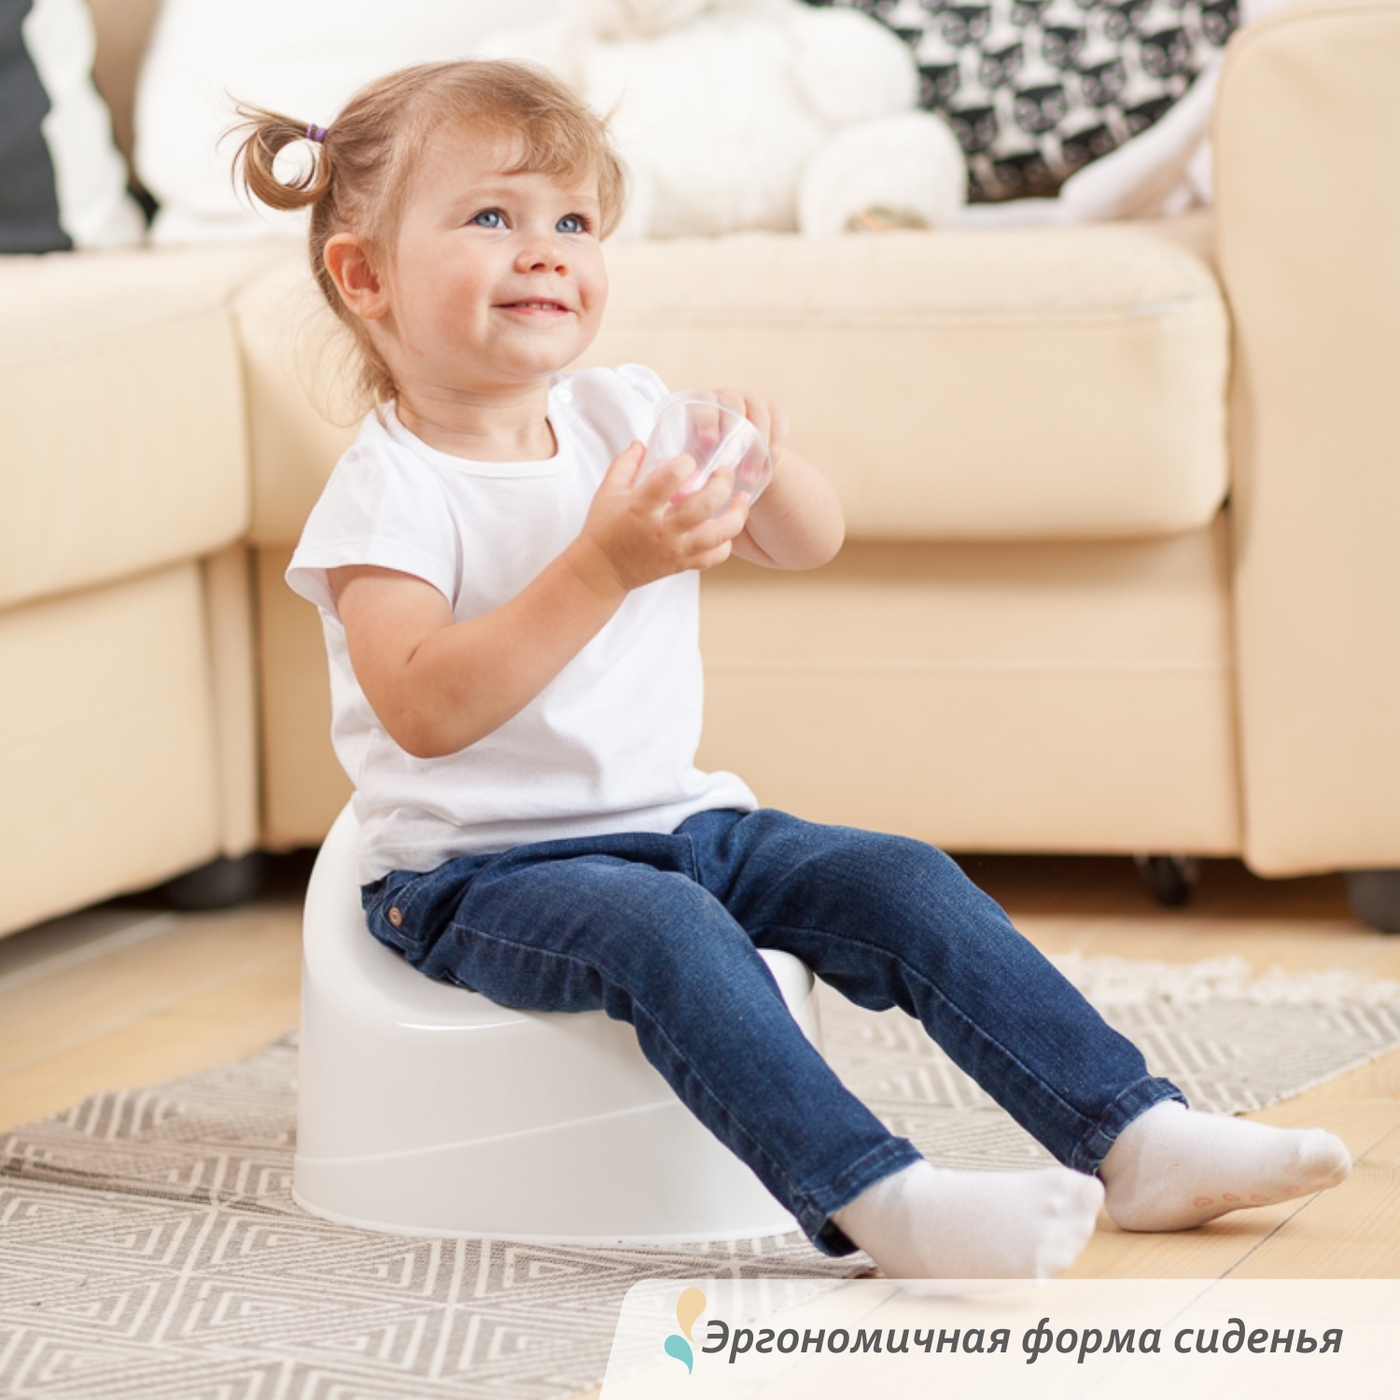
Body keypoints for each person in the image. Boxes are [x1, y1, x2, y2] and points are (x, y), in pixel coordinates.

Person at [238, 59, 1351, 1278]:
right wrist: (601, 566)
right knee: (664, 926)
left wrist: (759, 465)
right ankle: (881, 1198)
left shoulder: (621, 417)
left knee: (898, 879)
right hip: (476, 874)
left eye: (574, 222)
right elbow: (423, 705)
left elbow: (809, 540)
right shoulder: (389, 491)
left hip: (681, 822)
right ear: (366, 277)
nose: (545, 251)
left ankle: (1134, 1134)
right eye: (492, 217)